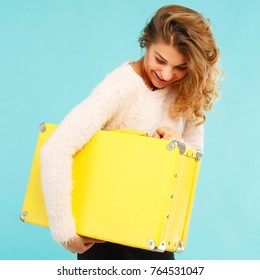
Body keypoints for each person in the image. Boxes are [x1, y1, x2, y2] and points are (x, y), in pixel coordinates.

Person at [40, 4, 221, 260]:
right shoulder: (119, 87)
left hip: (157, 238)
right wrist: (66, 233)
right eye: (160, 60)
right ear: (146, 42)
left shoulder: (189, 89)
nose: (167, 74)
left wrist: (178, 147)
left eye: (180, 67)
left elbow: (194, 161)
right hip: (108, 241)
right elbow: (55, 149)